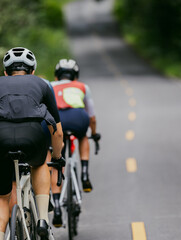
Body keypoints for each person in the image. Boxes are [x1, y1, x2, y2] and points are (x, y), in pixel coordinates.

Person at [0, 47, 63, 240]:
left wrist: (0, 154)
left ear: (5, 72)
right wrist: (56, 157)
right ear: (32, 71)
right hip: (32, 136)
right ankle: (42, 220)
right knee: (39, 164)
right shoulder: (41, 84)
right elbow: (57, 131)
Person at [50, 59, 101, 227]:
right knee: (83, 136)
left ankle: (56, 205)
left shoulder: (50, 86)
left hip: (57, 122)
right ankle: (85, 173)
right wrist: (94, 133)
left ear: (57, 75)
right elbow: (91, 116)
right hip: (78, 118)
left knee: (57, 162)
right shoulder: (82, 87)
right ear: (75, 75)